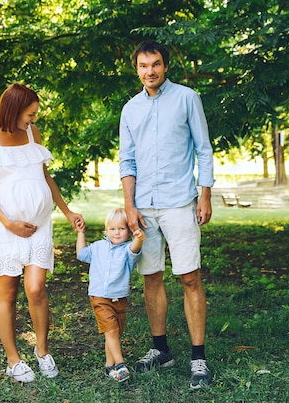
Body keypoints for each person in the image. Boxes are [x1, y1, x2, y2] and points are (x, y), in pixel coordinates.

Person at [118, 41, 215, 389]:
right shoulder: (129, 109)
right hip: (143, 207)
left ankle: (198, 356)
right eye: (143, 66)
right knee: (152, 277)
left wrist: (204, 195)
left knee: (190, 277)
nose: (150, 71)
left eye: (156, 64)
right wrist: (129, 205)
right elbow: (127, 161)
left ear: (166, 66)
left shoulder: (187, 98)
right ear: (137, 70)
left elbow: (204, 149)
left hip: (180, 203)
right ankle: (161, 349)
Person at [0, 83, 84, 383]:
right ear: (13, 109)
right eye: (30, 113)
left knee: (36, 288)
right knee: (7, 292)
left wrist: (68, 211)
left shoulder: (33, 134)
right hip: (6, 227)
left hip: (39, 225)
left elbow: (44, 177)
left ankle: (42, 351)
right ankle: (13, 360)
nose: (33, 119)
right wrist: (9, 223)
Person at [75, 208, 145, 382]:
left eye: (121, 229)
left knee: (112, 332)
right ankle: (120, 364)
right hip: (99, 296)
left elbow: (135, 249)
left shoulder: (127, 250)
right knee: (111, 330)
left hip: (119, 298)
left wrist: (139, 238)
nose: (117, 232)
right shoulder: (98, 247)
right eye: (112, 229)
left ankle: (109, 366)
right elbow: (81, 254)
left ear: (128, 231)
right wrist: (80, 233)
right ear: (106, 231)